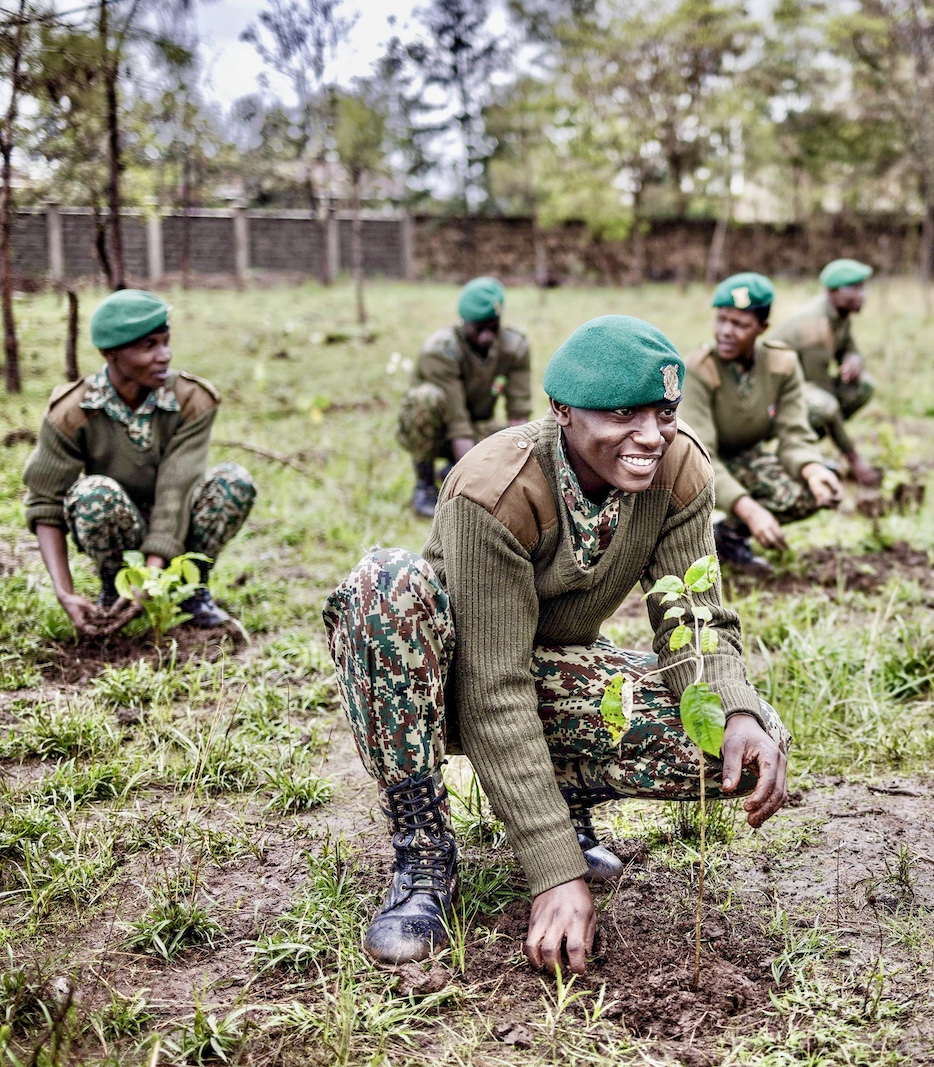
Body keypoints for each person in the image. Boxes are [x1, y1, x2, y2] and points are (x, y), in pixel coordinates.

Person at [325, 315, 792, 969]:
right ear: (562, 411)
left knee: (742, 735)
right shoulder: (497, 487)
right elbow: (492, 686)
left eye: (664, 411)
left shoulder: (678, 465)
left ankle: (569, 800)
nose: (651, 435)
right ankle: (423, 848)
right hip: (441, 685)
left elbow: (693, 619)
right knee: (385, 581)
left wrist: (737, 711)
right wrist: (555, 872)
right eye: (624, 414)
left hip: (540, 675)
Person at [22, 289, 254, 636]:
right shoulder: (72, 412)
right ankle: (116, 589)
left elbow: (176, 490)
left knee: (233, 481)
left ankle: (189, 591)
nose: (165, 356)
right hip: (119, 526)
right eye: (148, 346)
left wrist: (155, 571)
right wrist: (64, 593)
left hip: (177, 525)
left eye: (165, 341)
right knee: (93, 494)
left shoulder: (191, 399)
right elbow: (44, 503)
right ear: (110, 353)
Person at [680, 272, 843, 575]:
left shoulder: (781, 365)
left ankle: (727, 536)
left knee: (807, 492)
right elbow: (699, 458)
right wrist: (751, 510)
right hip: (692, 465)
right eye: (722, 320)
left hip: (744, 456)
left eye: (740, 324)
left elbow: (794, 434)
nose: (726, 331)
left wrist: (813, 468)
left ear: (762, 328)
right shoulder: (699, 369)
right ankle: (690, 541)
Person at [398, 276, 533, 518]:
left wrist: (518, 470)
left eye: (492, 326)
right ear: (464, 322)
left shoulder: (514, 347)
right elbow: (457, 424)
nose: (486, 337)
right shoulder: (440, 351)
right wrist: (475, 488)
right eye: (478, 328)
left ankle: (454, 471)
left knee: (519, 439)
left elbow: (519, 417)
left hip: (477, 429)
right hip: (436, 433)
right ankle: (425, 486)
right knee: (425, 398)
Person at [769, 258, 881, 487]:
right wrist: (854, 458)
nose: (862, 295)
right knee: (825, 407)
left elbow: (848, 347)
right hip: (770, 400)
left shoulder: (839, 315)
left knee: (863, 386)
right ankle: (793, 454)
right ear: (833, 292)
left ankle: (806, 450)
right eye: (854, 289)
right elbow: (823, 396)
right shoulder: (815, 327)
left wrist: (853, 358)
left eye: (863, 287)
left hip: (802, 389)